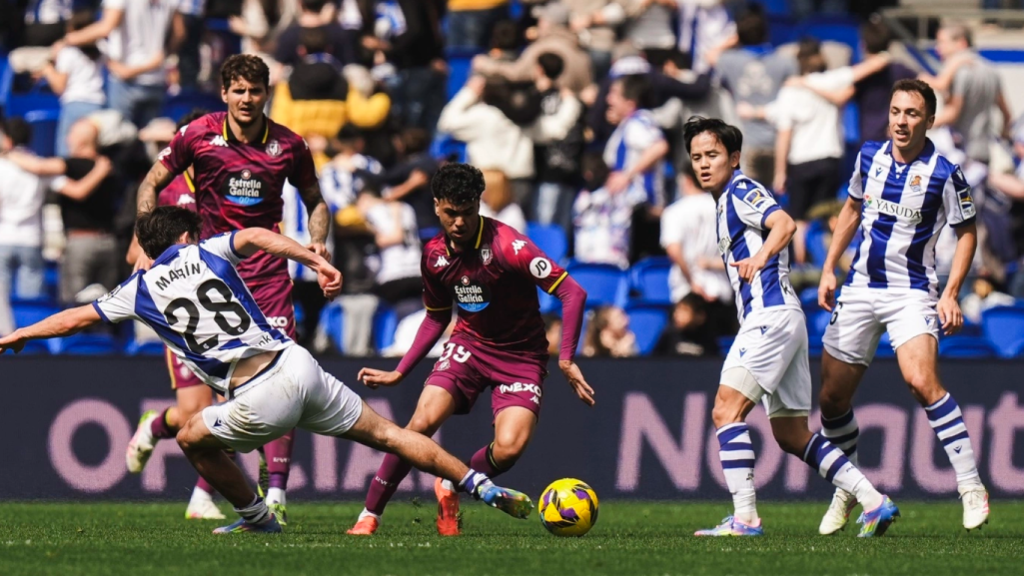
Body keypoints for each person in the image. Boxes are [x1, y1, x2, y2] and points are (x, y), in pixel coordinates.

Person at [0, 207, 534, 534]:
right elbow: (256, 236)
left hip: (257, 392)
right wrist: (314, 260)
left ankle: (258, 519)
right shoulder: (208, 249)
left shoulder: (137, 290)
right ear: (184, 238)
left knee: (191, 437)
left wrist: (22, 332)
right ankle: (478, 484)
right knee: (392, 435)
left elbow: (76, 317)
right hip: (297, 363)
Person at [131, 54, 333, 525]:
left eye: (255, 91)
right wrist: (150, 239)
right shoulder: (197, 135)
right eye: (238, 90)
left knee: (282, 380)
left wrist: (317, 242)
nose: (246, 99)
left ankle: (277, 496)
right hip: (211, 284)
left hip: (268, 278)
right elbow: (150, 182)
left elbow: (316, 201)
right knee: (217, 403)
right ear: (224, 93)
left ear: (267, 94)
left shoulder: (289, 144)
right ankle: (218, 486)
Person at [347, 163, 593, 536]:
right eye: (450, 213)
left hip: (521, 356)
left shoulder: (510, 246)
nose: (459, 222)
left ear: (479, 204)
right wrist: (401, 371)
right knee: (420, 424)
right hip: (469, 346)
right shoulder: (433, 255)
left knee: (509, 449)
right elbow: (435, 318)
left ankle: (451, 482)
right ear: (436, 207)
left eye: (466, 212)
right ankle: (369, 515)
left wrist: (566, 358)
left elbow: (572, 291)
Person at [682, 116, 897, 538]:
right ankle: (874, 501)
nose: (704, 164)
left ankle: (745, 519)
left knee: (726, 410)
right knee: (791, 434)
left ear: (735, 157)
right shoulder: (724, 201)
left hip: (770, 318)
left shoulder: (742, 190)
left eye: (712, 155)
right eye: (696, 158)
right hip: (785, 320)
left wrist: (760, 258)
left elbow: (784, 223)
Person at [816, 79, 988, 534]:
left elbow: (967, 232)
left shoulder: (945, 173)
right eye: (896, 111)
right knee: (832, 399)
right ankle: (851, 489)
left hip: (911, 291)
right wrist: (830, 266)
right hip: (859, 288)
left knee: (920, 381)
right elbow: (851, 210)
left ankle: (970, 486)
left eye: (912, 113)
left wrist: (950, 292)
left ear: (929, 121)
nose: (901, 121)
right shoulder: (868, 156)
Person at [123, 110, 228, 520]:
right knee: (194, 415)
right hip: (184, 315)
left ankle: (202, 498)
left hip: (224, 310)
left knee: (240, 407)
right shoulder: (164, 194)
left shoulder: (230, 190)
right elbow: (135, 253)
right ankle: (154, 426)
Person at [5, 120, 120, 305]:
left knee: (73, 305)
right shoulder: (108, 165)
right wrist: (99, 171)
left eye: (71, 134)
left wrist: (7, 153)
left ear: (81, 141)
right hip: (109, 242)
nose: (67, 139)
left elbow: (39, 167)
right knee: (109, 305)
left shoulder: (71, 165)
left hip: (80, 243)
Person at [59, 0, 177, 128]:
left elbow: (107, 27)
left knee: (121, 142)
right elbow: (179, 32)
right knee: (150, 142)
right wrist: (161, 57)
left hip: (125, 81)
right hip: (156, 80)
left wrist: (68, 40)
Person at [922, 22, 1011, 166]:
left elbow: (953, 113)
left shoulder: (960, 71)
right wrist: (1004, 133)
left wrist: (919, 124)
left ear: (961, 43)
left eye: (942, 42)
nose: (938, 49)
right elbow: (1007, 115)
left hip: (960, 152)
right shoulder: (991, 70)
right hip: (983, 152)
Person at [38, 11, 106, 158]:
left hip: (75, 106)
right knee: (90, 154)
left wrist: (48, 69)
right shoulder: (102, 48)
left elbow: (59, 87)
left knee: (67, 155)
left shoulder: (68, 52)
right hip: (98, 106)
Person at [0, 118, 49, 307]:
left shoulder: (2, 166)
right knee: (31, 304)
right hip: (31, 239)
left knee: (2, 308)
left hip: (4, 238)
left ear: (8, 139)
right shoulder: (40, 164)